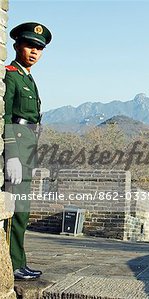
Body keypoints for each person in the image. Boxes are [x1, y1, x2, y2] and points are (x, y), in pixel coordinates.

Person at [3, 22, 52, 280]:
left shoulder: (27, 77)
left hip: (28, 146)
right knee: (16, 207)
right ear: (16, 45)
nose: (34, 52)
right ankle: (12, 264)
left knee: (24, 207)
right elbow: (7, 116)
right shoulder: (11, 75)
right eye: (29, 45)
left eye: (39, 48)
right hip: (17, 147)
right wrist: (10, 154)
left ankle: (18, 261)